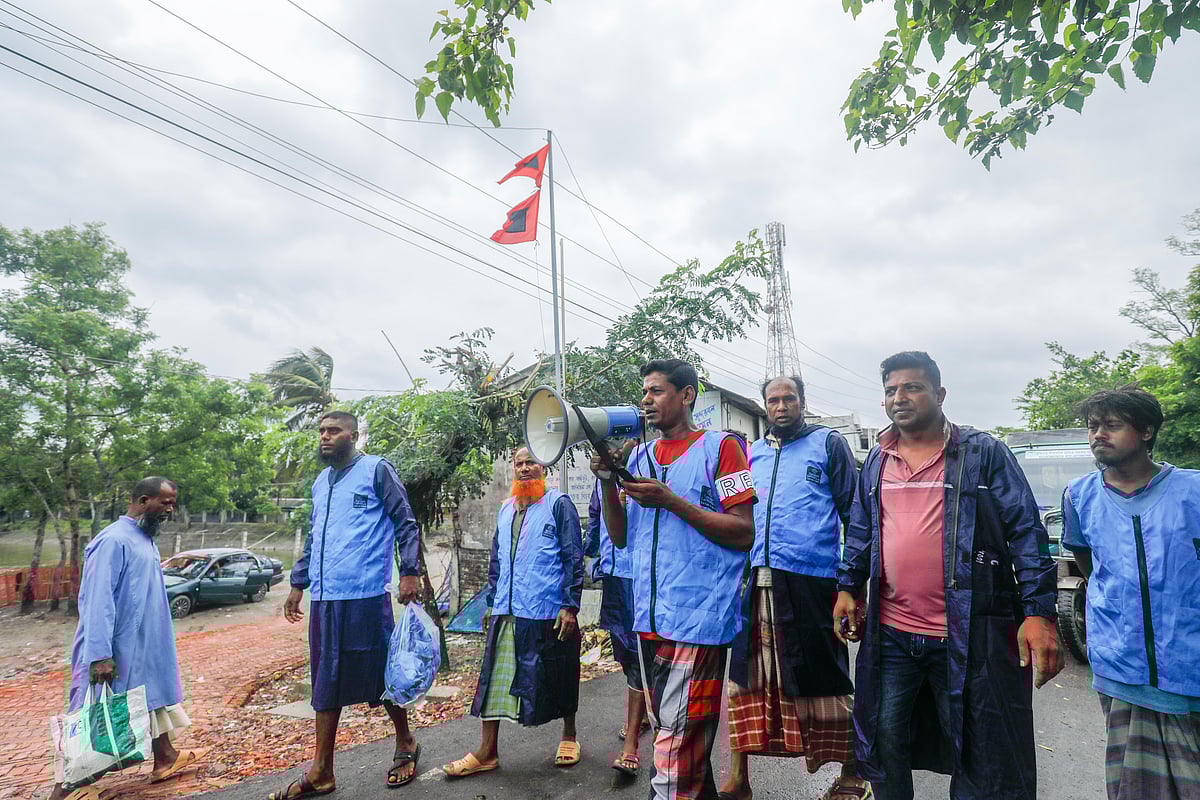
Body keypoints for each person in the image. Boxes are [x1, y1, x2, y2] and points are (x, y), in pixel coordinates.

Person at [833, 351, 1061, 800]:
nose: (900, 397)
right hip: (893, 633)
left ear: (939, 394)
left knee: (982, 748)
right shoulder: (878, 460)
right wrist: (847, 586)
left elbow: (1025, 531)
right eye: (891, 390)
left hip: (968, 632)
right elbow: (860, 530)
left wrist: (1039, 613)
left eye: (912, 387)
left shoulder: (982, 453)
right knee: (884, 741)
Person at [593, 358, 756, 800]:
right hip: (649, 617)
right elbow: (620, 536)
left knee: (675, 741)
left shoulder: (724, 449)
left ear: (687, 395)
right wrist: (609, 483)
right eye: (644, 392)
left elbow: (744, 531)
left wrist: (671, 501)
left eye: (657, 391)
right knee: (677, 736)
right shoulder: (641, 456)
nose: (646, 400)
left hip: (699, 617)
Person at [723, 376, 870, 800]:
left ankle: (853, 773)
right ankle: (738, 778)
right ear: (764, 405)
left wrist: (850, 585)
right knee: (745, 679)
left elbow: (855, 516)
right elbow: (730, 514)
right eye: (774, 399)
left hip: (812, 581)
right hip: (753, 583)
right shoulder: (749, 454)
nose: (781, 405)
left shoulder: (829, 445)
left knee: (824, 673)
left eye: (789, 398)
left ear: (803, 402)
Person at [272, 411, 422, 799]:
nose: (325, 436)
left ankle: (405, 741)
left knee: (380, 672)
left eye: (333, 430)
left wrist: (409, 571)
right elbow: (313, 535)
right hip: (325, 597)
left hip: (366, 594)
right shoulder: (321, 482)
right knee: (326, 679)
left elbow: (406, 523)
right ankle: (322, 769)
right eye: (321, 430)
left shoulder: (376, 470)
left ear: (353, 435)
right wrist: (297, 582)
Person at [1060, 386, 1200, 800]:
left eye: (1112, 425)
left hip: (1190, 664)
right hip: (1121, 667)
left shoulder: (1192, 491)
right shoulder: (1079, 496)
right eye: (1093, 426)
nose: (1098, 434)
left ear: (1146, 431)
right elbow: (1088, 564)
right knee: (1134, 787)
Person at [50, 477, 204, 800]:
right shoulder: (112, 541)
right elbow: (96, 601)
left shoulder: (144, 538)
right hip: (113, 650)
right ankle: (64, 790)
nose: (171, 510)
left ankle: (166, 758)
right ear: (144, 501)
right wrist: (100, 654)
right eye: (166, 503)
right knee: (93, 715)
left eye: (173, 503)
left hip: (146, 646)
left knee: (153, 699)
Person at [443, 446, 585, 777]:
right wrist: (491, 603)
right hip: (507, 608)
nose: (523, 468)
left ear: (544, 466)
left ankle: (570, 736)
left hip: (546, 609)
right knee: (495, 677)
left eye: (530, 462)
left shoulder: (558, 504)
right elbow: (496, 560)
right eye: (518, 463)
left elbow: (572, 557)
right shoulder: (506, 509)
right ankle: (487, 751)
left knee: (560, 670)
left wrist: (569, 604)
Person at [585, 474, 649, 780]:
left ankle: (632, 745)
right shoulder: (602, 477)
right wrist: (591, 554)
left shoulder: (645, 466)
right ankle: (644, 712)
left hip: (639, 574)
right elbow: (596, 515)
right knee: (624, 653)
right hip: (613, 573)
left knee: (638, 657)